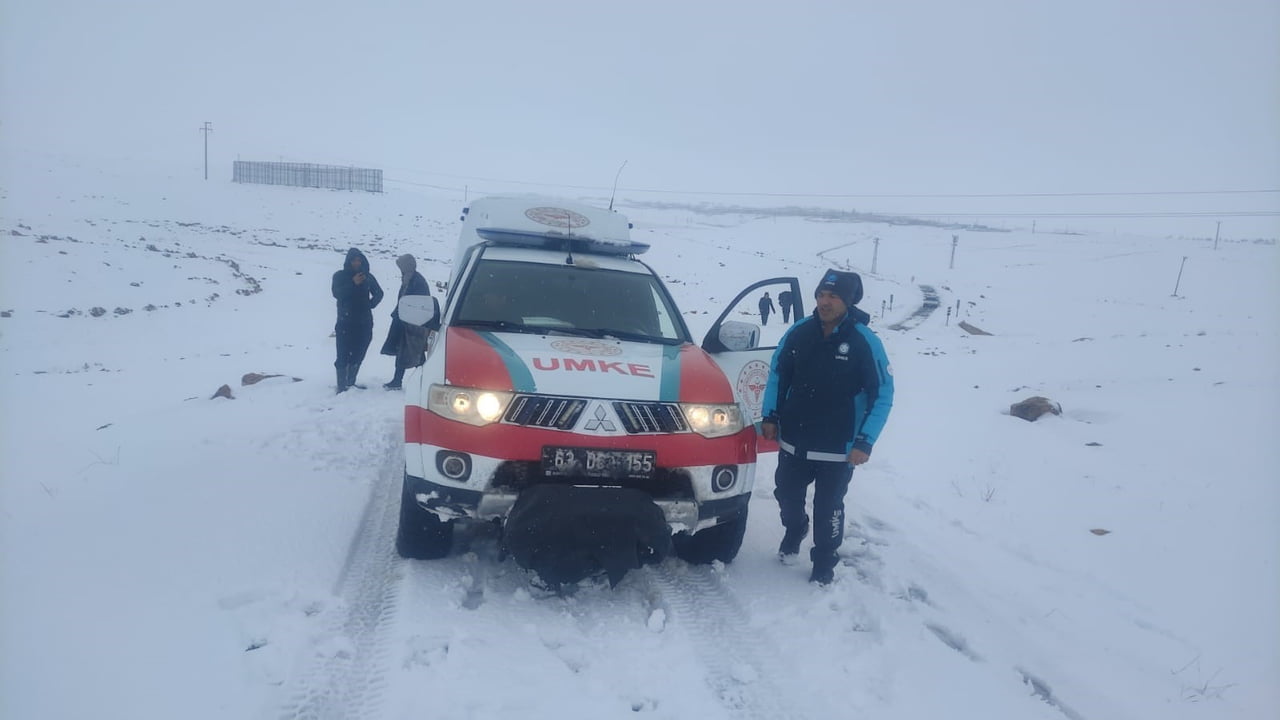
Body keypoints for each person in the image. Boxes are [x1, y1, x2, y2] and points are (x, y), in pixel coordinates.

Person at [760, 269, 893, 585]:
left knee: (828, 508)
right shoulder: (799, 332)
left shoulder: (864, 341)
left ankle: (824, 562)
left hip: (839, 447)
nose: (824, 301)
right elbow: (779, 375)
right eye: (821, 294)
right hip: (795, 440)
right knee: (786, 496)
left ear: (847, 301)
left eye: (833, 296)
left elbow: (883, 392)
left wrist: (866, 440)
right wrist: (770, 416)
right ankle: (795, 528)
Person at [332, 247, 384, 393]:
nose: (356, 263)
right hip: (345, 322)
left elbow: (379, 293)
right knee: (342, 353)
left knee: (359, 352)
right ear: (348, 261)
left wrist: (369, 305)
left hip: (364, 322)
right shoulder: (340, 276)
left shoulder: (367, 276)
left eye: (359, 260)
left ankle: (351, 382)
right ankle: (341, 386)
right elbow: (337, 293)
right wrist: (353, 283)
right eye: (353, 260)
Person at [380, 254, 432, 389]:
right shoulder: (409, 279)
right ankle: (420, 380)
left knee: (413, 352)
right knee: (409, 351)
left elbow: (417, 303)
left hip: (413, 323)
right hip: (405, 321)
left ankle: (421, 380)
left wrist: (406, 315)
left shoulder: (416, 281)